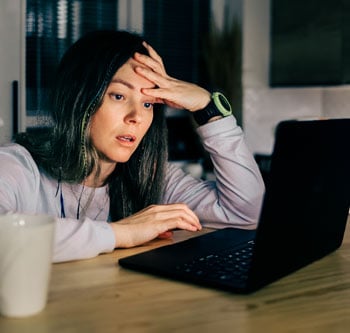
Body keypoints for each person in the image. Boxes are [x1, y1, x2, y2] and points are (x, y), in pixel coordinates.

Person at [0, 30, 265, 263]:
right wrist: (123, 232)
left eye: (148, 103)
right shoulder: (18, 166)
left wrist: (208, 109)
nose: (136, 117)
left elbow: (246, 213)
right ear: (78, 99)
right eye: (118, 96)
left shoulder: (152, 176)